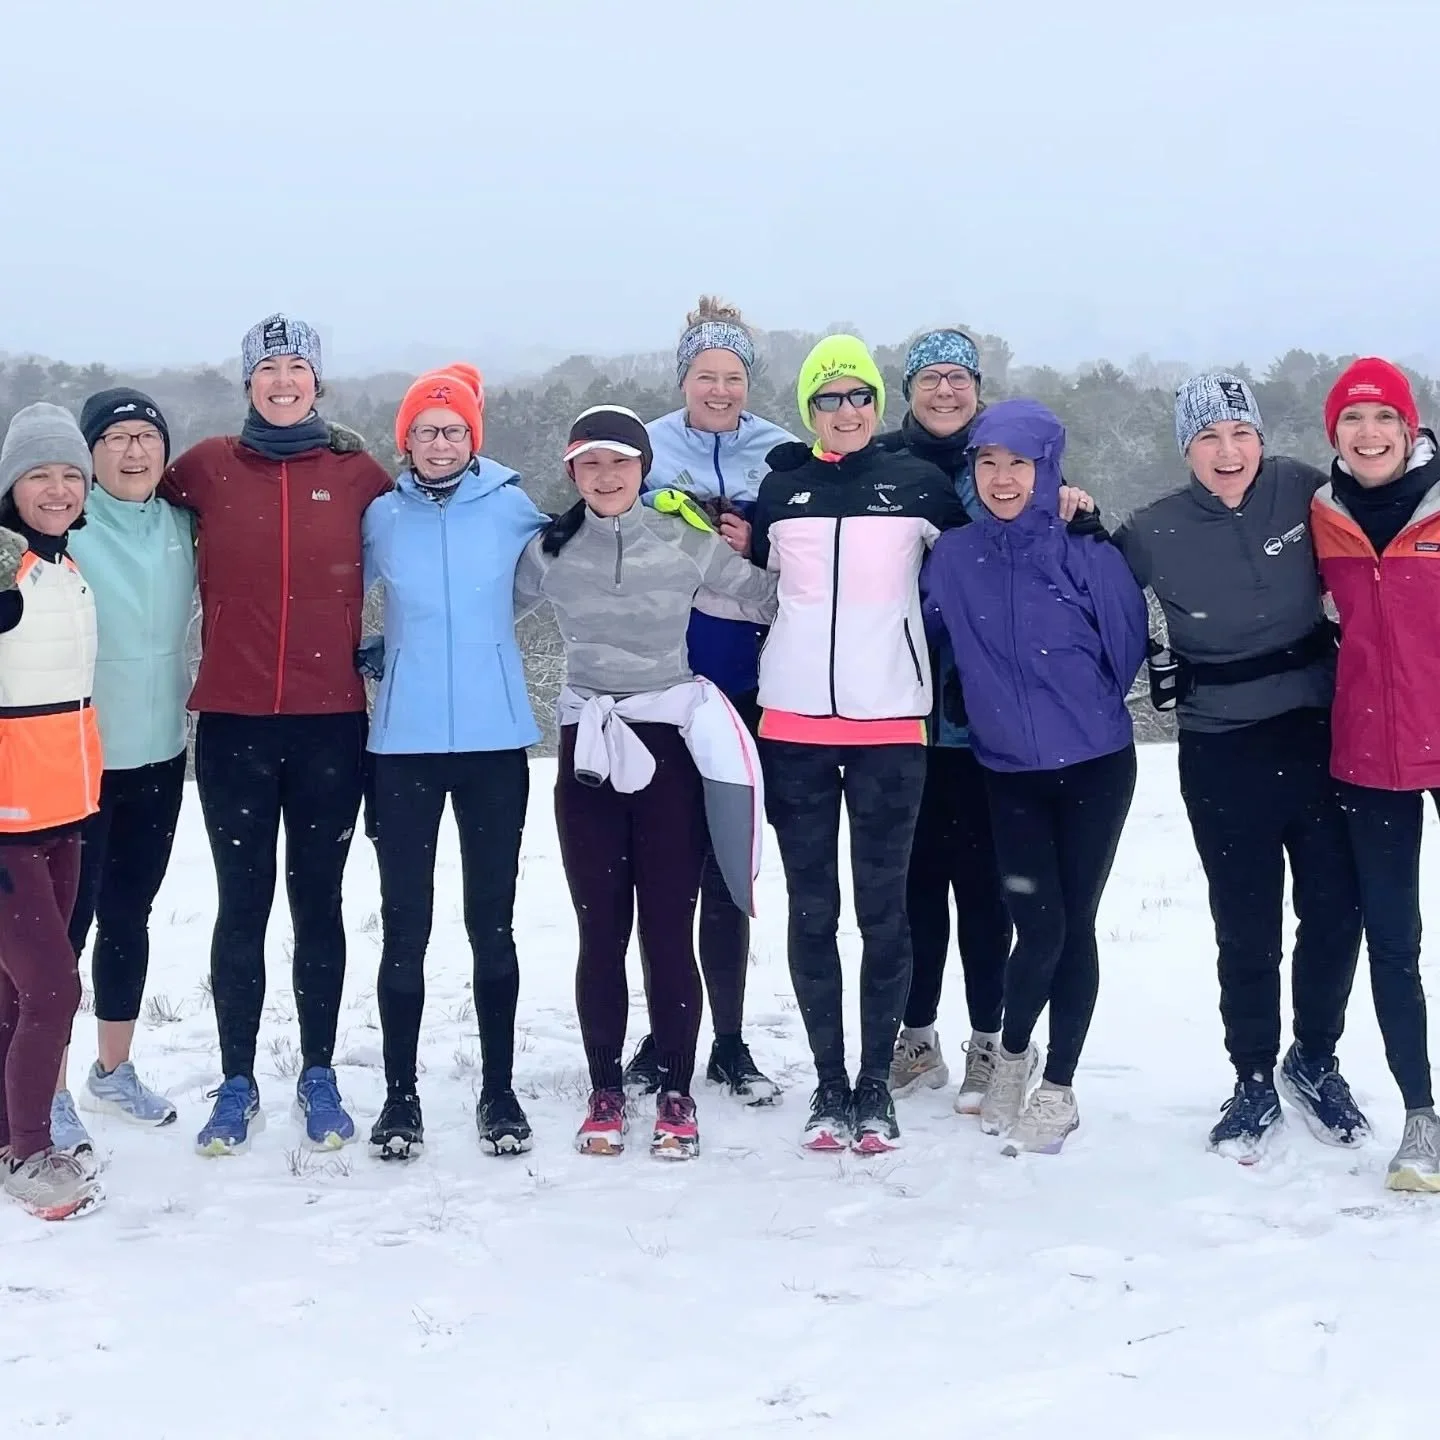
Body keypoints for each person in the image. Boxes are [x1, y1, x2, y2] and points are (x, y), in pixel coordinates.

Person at [514, 405, 776, 1161]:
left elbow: (764, 597)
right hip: (587, 751)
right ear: (572, 472)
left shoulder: (684, 540)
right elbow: (482, 613)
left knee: (668, 929)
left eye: (620, 462)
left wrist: (772, 546)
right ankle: (603, 1089)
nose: (606, 476)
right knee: (601, 931)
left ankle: (677, 1091)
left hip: (670, 752)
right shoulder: (548, 552)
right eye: (590, 463)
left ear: (643, 469)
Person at [1115, 374, 1365, 1164]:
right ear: (1186, 448)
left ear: (1261, 437)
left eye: (1240, 434)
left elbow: (1387, 514)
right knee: (1246, 922)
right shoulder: (1152, 529)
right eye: (1208, 438)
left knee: (1334, 911)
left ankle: (1314, 1059)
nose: (1228, 452)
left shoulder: (1304, 488)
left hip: (1317, 735)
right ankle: (1253, 1074)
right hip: (1221, 746)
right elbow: (1080, 581)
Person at [160, 314, 392, 1156]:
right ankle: (235, 1079)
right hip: (231, 724)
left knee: (319, 903)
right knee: (241, 904)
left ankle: (320, 1072)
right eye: (270, 369)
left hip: (331, 721)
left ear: (317, 382)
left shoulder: (359, 472)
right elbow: (121, 504)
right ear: (248, 382)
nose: (284, 381)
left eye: (298, 367)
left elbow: (418, 547)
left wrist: (385, 640)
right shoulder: (207, 469)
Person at [750, 335, 966, 1155]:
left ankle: (876, 1087)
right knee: (813, 912)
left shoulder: (919, 485)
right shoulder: (782, 490)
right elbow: (746, 577)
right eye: (830, 397)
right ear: (809, 409)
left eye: (861, 396)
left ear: (879, 406)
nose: (847, 410)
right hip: (794, 727)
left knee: (884, 912)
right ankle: (828, 1083)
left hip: (890, 727)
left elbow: (975, 564)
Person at [881, 329, 1100, 1112]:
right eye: (929, 378)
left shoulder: (1008, 462)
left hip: (989, 728)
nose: (944, 391)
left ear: (977, 388)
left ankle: (986, 1038)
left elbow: (1056, 547)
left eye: (958, 378)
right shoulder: (882, 467)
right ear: (906, 389)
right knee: (912, 888)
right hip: (901, 715)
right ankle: (914, 1036)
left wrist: (1079, 505)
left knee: (983, 889)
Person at [924, 399, 1146, 1155]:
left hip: (1094, 766)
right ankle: (1015, 1054)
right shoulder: (953, 557)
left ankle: (1059, 1088)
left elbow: (1125, 650)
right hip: (1006, 770)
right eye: (987, 462)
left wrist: (1070, 709)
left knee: (1071, 926)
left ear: (1048, 467)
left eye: (1019, 462)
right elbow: (922, 635)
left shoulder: (1087, 550)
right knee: (1038, 924)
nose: (1002, 477)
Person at [360, 365, 546, 1161]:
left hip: (494, 741)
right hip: (401, 744)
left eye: (455, 430)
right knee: (405, 926)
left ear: (476, 437)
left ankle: (497, 1092)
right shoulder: (378, 516)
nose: (441, 442)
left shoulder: (509, 507)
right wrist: (377, 651)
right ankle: (400, 1099)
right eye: (427, 430)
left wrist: (485, 649)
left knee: (491, 923)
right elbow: (331, 592)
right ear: (405, 440)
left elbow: (548, 579)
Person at [622, 297, 796, 1107]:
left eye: (733, 377)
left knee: (729, 871)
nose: (720, 390)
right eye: (705, 376)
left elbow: (799, 558)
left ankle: (727, 1041)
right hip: (662, 687)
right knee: (665, 874)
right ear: (683, 376)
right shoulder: (647, 446)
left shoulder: (782, 453)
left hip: (749, 689)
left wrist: (751, 540)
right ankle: (665, 1037)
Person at [46, 390, 194, 1142]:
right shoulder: (66, 526)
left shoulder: (183, 524)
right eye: (116, 439)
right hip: (75, 764)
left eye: (146, 437)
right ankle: (46, 1086)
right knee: (64, 931)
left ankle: (112, 1070)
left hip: (161, 754)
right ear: (89, 454)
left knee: (128, 918)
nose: (133, 452)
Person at [1311, 358, 1440, 1191]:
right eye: (1351, 422)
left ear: (1409, 427)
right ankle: (1421, 1119)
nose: (1367, 435)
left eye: (1382, 419)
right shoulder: (1320, 517)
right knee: (1393, 945)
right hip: (1367, 758)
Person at [0, 404, 106, 1219]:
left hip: (63, 811)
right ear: (11, 484)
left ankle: (10, 1135)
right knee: (54, 993)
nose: (58, 488)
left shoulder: (63, 567)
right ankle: (32, 1154)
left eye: (71, 473)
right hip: (5, 821)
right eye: (40, 473)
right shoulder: (6, 576)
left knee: (16, 993)